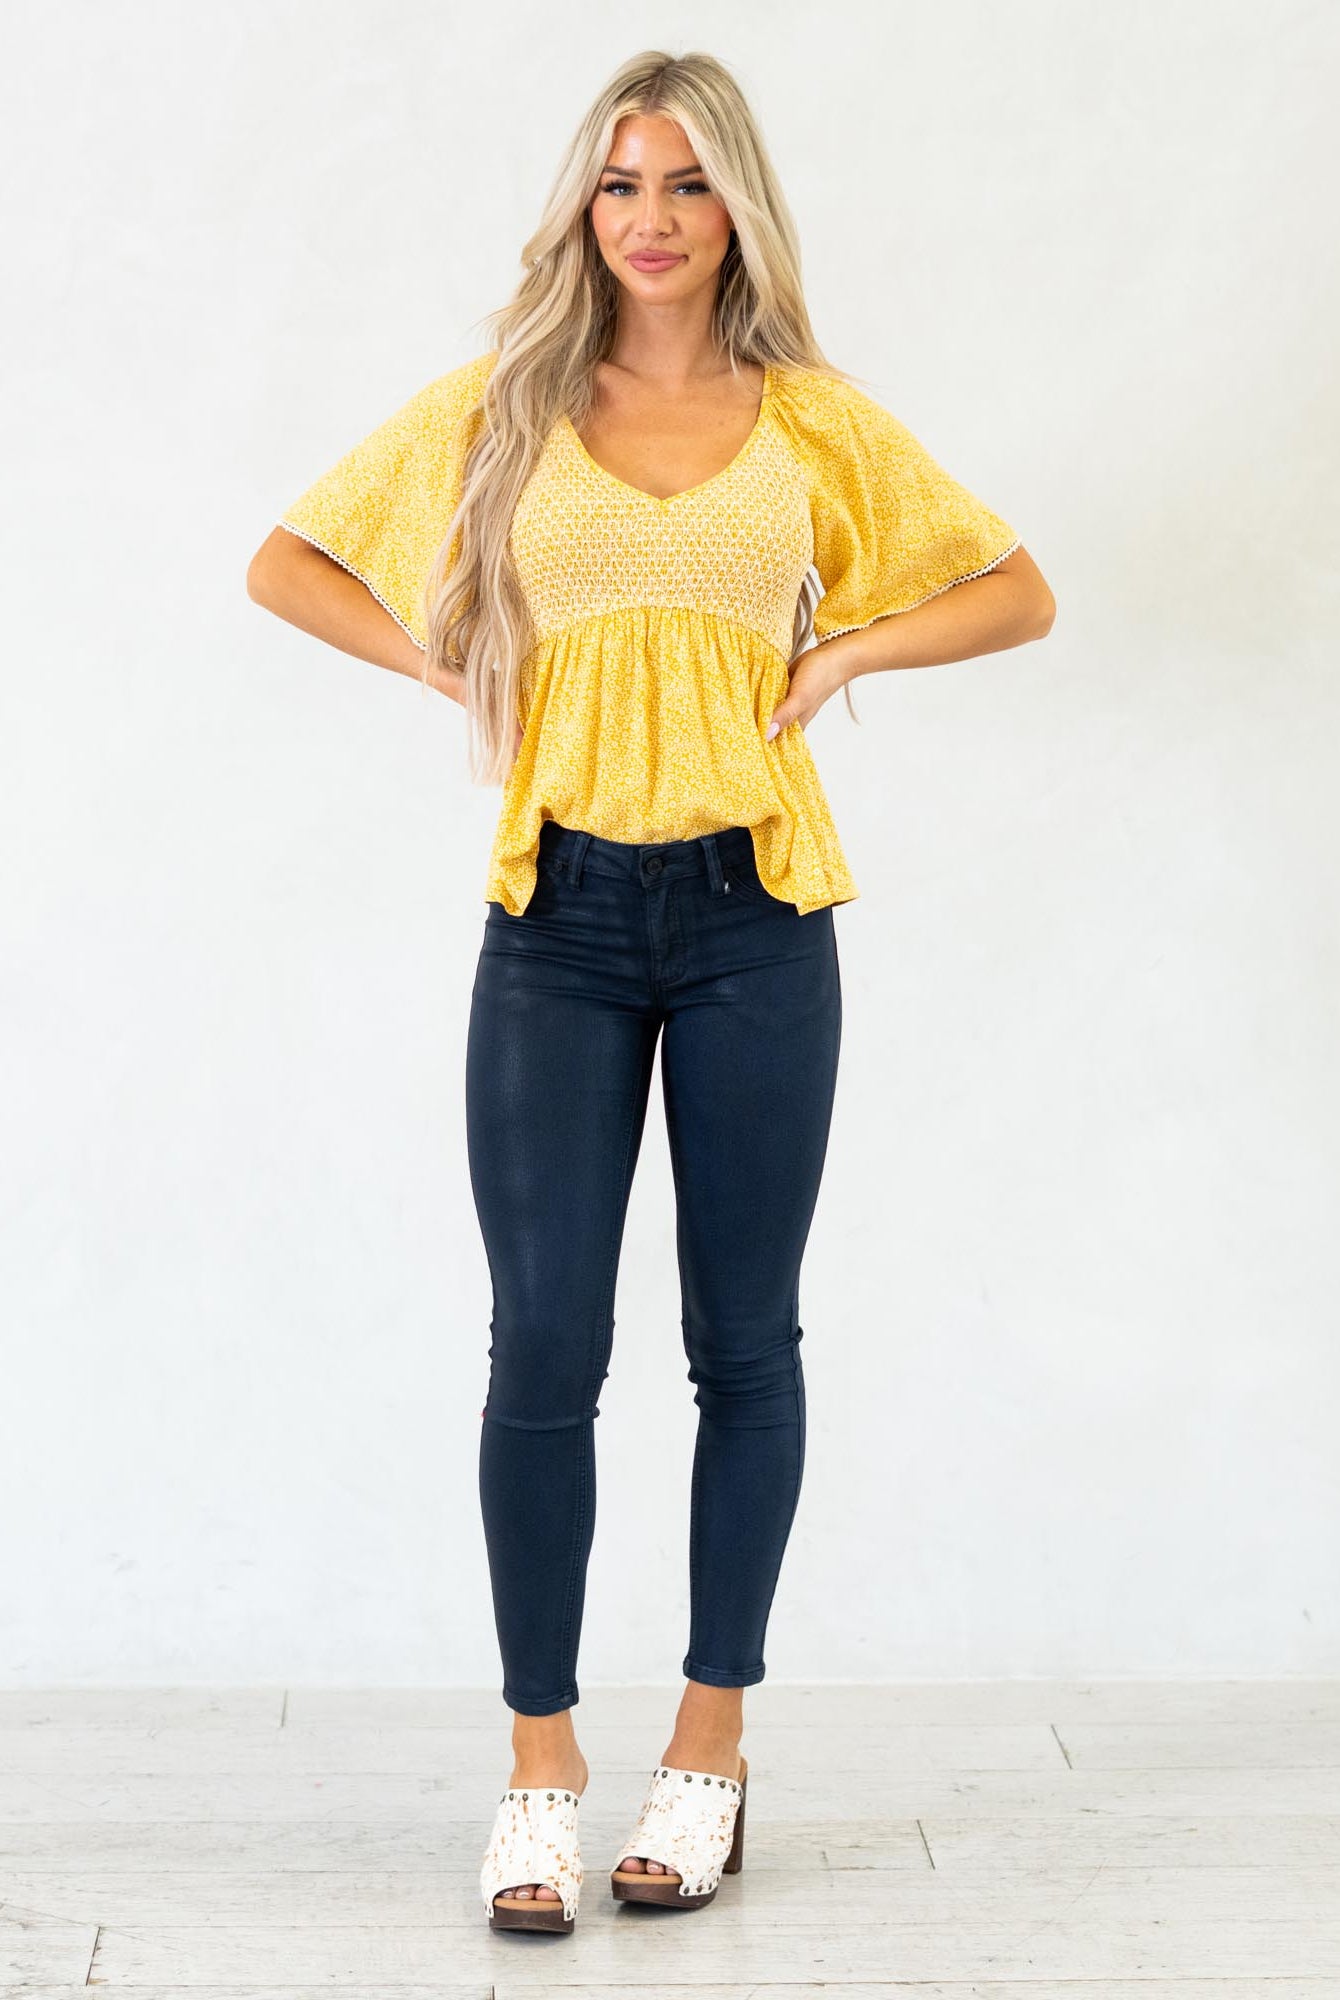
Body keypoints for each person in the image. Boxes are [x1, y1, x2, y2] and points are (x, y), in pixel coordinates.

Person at [247, 48, 1055, 1938]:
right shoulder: (511, 406)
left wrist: (841, 654)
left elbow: (1017, 590)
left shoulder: (811, 421)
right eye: (622, 183)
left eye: (687, 183)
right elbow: (286, 564)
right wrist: (452, 667)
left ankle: (709, 1748)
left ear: (736, 206)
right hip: (562, 915)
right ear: (584, 207)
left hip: (760, 908)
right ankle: (541, 1768)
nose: (653, 217)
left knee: (743, 1343)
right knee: (544, 1347)